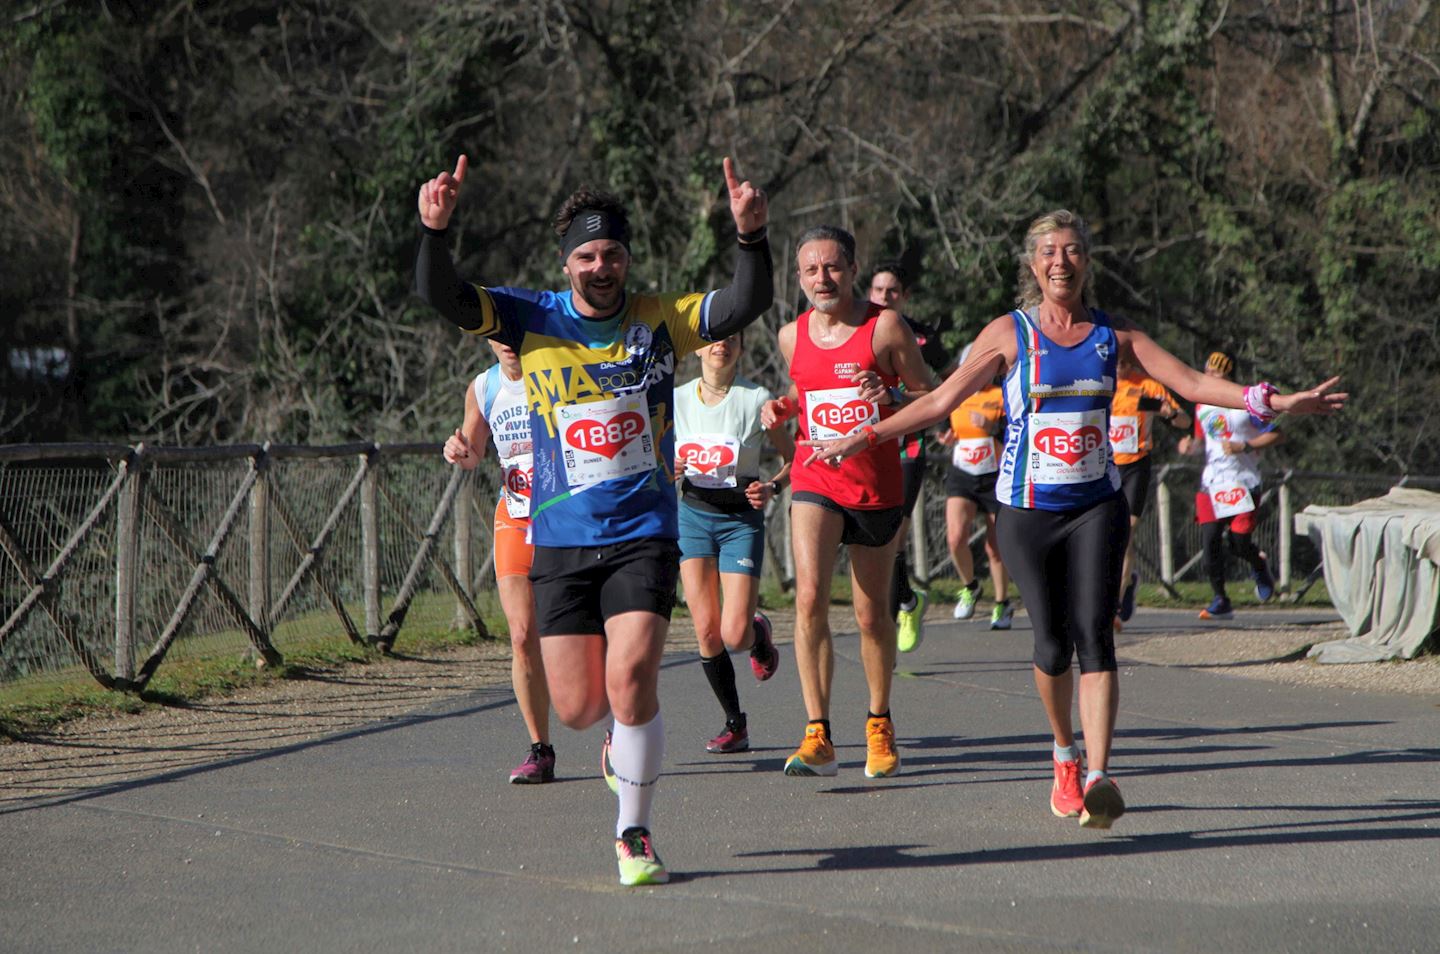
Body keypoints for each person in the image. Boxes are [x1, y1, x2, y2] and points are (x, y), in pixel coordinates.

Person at [799, 209, 1344, 829]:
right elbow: (943, 397)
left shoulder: (1116, 336)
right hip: (1027, 513)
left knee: (1095, 634)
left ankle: (1099, 774)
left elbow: (1192, 383)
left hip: (1095, 507)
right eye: (1049, 252)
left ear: (1087, 261)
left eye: (1073, 250)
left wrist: (1274, 402)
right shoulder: (1010, 333)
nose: (1061, 261)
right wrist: (866, 434)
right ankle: (1064, 751)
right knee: (1052, 645)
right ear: (1033, 265)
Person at [415, 155, 772, 885]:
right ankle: (614, 735)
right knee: (578, 707)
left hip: (643, 533)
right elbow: (442, 294)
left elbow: (741, 302)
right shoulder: (531, 316)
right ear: (566, 261)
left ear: (627, 258)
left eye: (612, 253)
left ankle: (634, 833)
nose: (600, 266)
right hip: (560, 540)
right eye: (586, 254)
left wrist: (751, 238)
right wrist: (435, 230)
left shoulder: (659, 320)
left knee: (636, 671)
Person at [760, 226, 934, 779]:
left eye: (832, 267)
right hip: (816, 475)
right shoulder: (791, 335)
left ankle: (879, 722)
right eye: (811, 270)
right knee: (809, 597)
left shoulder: (884, 327)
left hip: (875, 485)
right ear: (799, 278)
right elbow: (808, 393)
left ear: (853, 269)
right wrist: (783, 409)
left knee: (869, 613)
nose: (822, 278)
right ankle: (818, 733)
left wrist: (894, 394)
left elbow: (933, 398)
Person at [674, 331, 794, 754]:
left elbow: (792, 459)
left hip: (740, 521)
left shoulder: (755, 398)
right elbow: (650, 452)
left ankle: (758, 635)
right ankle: (734, 724)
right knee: (707, 633)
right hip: (692, 517)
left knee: (735, 634)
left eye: (731, 339)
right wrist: (665, 465)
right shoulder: (677, 399)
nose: (721, 344)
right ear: (698, 348)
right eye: (712, 339)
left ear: (741, 347)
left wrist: (772, 489)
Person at [442, 340, 555, 783]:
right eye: (496, 333)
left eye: (514, 330)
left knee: (574, 635)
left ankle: (613, 727)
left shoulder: (555, 370)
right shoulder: (484, 386)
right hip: (514, 515)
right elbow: (473, 451)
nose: (507, 342)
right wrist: (458, 451)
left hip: (563, 517)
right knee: (523, 634)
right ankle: (540, 749)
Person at [867, 263, 950, 651]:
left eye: (893, 291)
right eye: (879, 290)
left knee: (895, 533)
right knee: (874, 539)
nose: (885, 297)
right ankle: (905, 600)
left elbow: (950, 380)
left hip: (907, 446)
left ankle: (899, 608)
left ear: (904, 297)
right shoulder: (855, 327)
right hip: (863, 444)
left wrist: (950, 419)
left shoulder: (920, 336)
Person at [1177, 351, 1281, 620]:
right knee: (1209, 541)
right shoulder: (1202, 405)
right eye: (1207, 372)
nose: (1210, 377)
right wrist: (1189, 446)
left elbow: (1276, 434)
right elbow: (1201, 439)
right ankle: (1220, 598)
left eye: (1216, 373)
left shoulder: (1247, 403)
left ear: (1230, 375)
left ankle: (1259, 565)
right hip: (1212, 483)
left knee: (1238, 542)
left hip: (1242, 481)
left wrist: (1244, 445)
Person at [1109, 354, 1190, 624]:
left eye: (1124, 363)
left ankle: (1115, 606)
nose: (1119, 368)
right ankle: (1128, 581)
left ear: (1132, 363)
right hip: (1105, 467)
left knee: (1125, 532)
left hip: (1135, 465)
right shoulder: (1100, 384)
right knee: (1109, 536)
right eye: (1114, 362)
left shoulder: (1147, 386)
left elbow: (1185, 422)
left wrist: (1171, 413)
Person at [934, 351, 1012, 629]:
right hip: (963, 472)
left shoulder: (1002, 394)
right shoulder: (957, 394)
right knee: (955, 537)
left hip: (995, 475)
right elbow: (941, 420)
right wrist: (944, 435)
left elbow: (1015, 430)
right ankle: (970, 586)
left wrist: (991, 426)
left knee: (996, 547)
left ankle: (1002, 604)